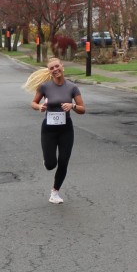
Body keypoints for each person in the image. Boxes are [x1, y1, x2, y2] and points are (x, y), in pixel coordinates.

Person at [32, 57, 85, 204]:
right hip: (48, 129)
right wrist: (40, 106)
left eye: (57, 66)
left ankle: (55, 192)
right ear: (49, 71)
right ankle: (47, 160)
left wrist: (72, 106)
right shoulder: (45, 87)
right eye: (52, 68)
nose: (55, 69)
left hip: (66, 129)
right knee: (51, 164)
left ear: (62, 67)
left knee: (63, 161)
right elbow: (33, 103)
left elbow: (82, 109)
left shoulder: (72, 87)